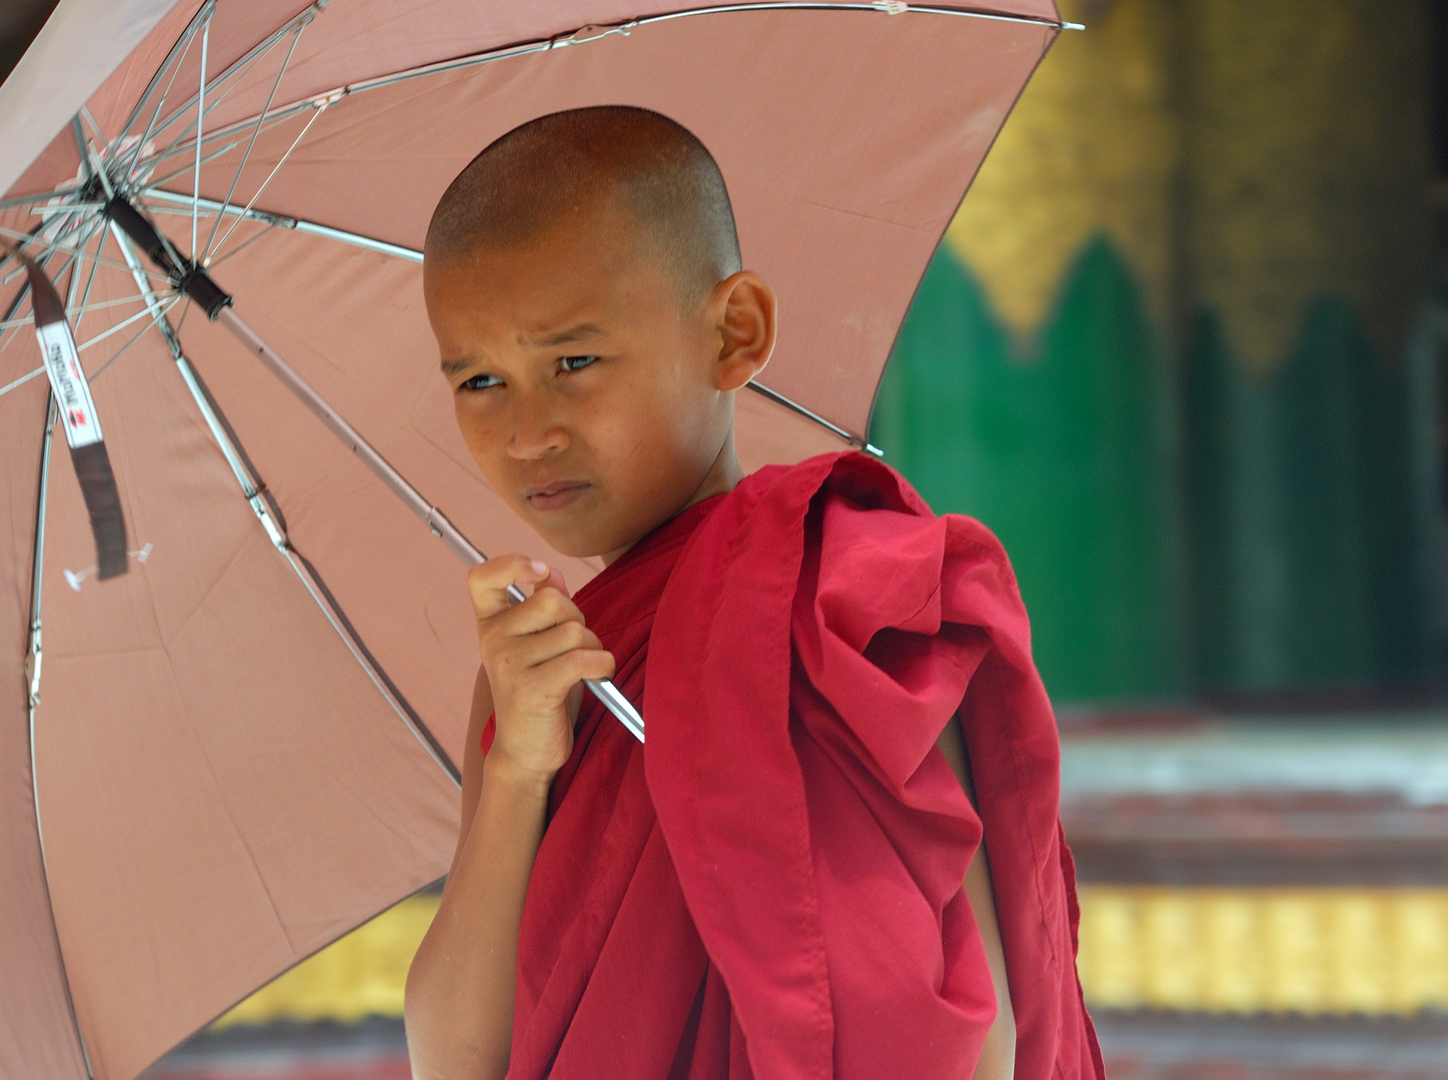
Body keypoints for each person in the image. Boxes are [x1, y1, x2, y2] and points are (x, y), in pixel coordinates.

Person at [403, 105, 1102, 1080]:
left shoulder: (837, 599)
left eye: (573, 362)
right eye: (480, 381)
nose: (528, 433)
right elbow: (454, 1059)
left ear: (736, 332)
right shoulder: (544, 673)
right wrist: (518, 769)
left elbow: (962, 1014)